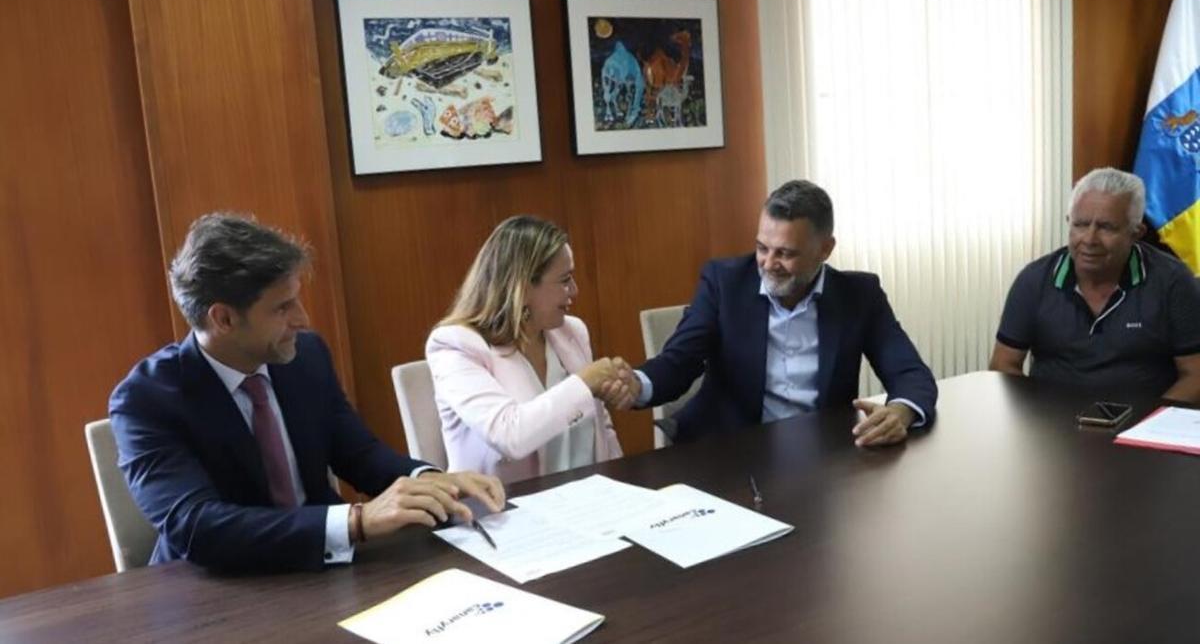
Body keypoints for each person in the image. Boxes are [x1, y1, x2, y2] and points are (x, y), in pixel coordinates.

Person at [110, 213, 504, 572]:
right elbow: (197, 526)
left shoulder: (305, 356)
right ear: (224, 318)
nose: (303, 319)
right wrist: (356, 521)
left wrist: (430, 482)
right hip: (215, 592)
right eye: (282, 308)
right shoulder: (146, 400)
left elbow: (359, 453)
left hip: (324, 568)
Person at [623, 179, 938, 445]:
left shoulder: (859, 295)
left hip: (823, 456)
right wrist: (636, 384)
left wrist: (900, 412)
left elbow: (910, 373)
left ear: (825, 249)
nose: (769, 264)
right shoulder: (724, 283)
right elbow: (680, 361)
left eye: (785, 253)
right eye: (762, 247)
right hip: (732, 451)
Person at [426, 216, 625, 483]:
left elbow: (602, 428)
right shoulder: (455, 345)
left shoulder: (572, 331)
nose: (574, 291)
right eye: (564, 280)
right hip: (501, 514)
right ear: (522, 286)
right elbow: (510, 436)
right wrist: (586, 381)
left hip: (585, 506)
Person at [990, 167, 1200, 400]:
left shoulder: (1173, 282)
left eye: (1106, 227)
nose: (1089, 239)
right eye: (1080, 225)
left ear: (1136, 232)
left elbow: (1195, 375)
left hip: (1140, 425)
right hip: (1054, 424)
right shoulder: (1034, 280)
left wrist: (1149, 423)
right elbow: (1003, 365)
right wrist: (1033, 416)